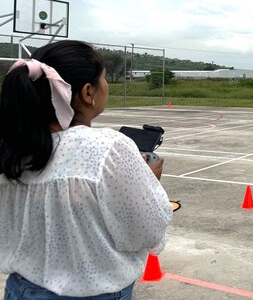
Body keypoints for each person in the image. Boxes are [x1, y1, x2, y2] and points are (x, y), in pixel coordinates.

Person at [0, 40, 173, 299]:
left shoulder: (11, 147)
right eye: (103, 79)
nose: (108, 86)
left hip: (21, 289)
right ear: (88, 92)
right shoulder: (108, 147)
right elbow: (147, 230)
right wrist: (149, 180)